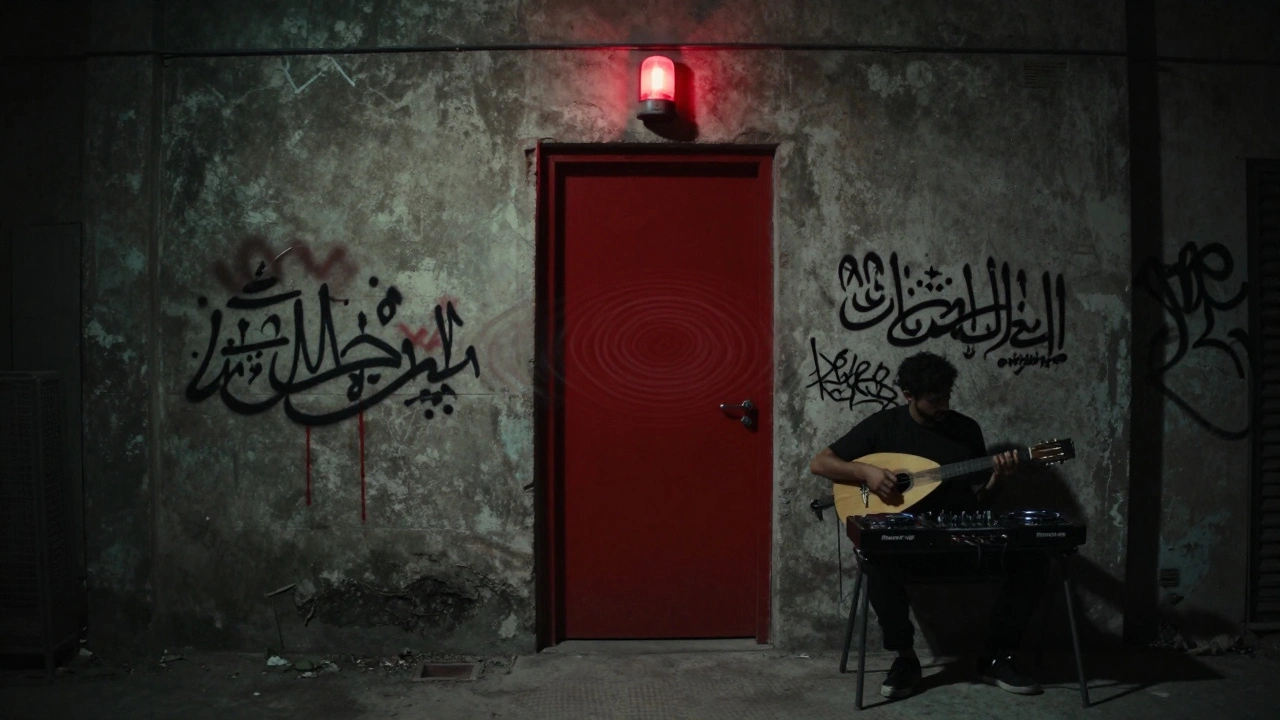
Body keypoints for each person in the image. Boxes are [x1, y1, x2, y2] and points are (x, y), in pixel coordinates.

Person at [809, 350, 1047, 699]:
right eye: (935, 400)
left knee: (1034, 559)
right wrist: (865, 472)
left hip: (958, 541)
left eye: (947, 396)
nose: (944, 406)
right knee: (874, 557)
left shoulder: (965, 430)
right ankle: (905, 658)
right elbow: (820, 462)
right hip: (904, 547)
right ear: (909, 394)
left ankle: (997, 657)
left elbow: (979, 502)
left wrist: (999, 478)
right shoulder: (883, 426)